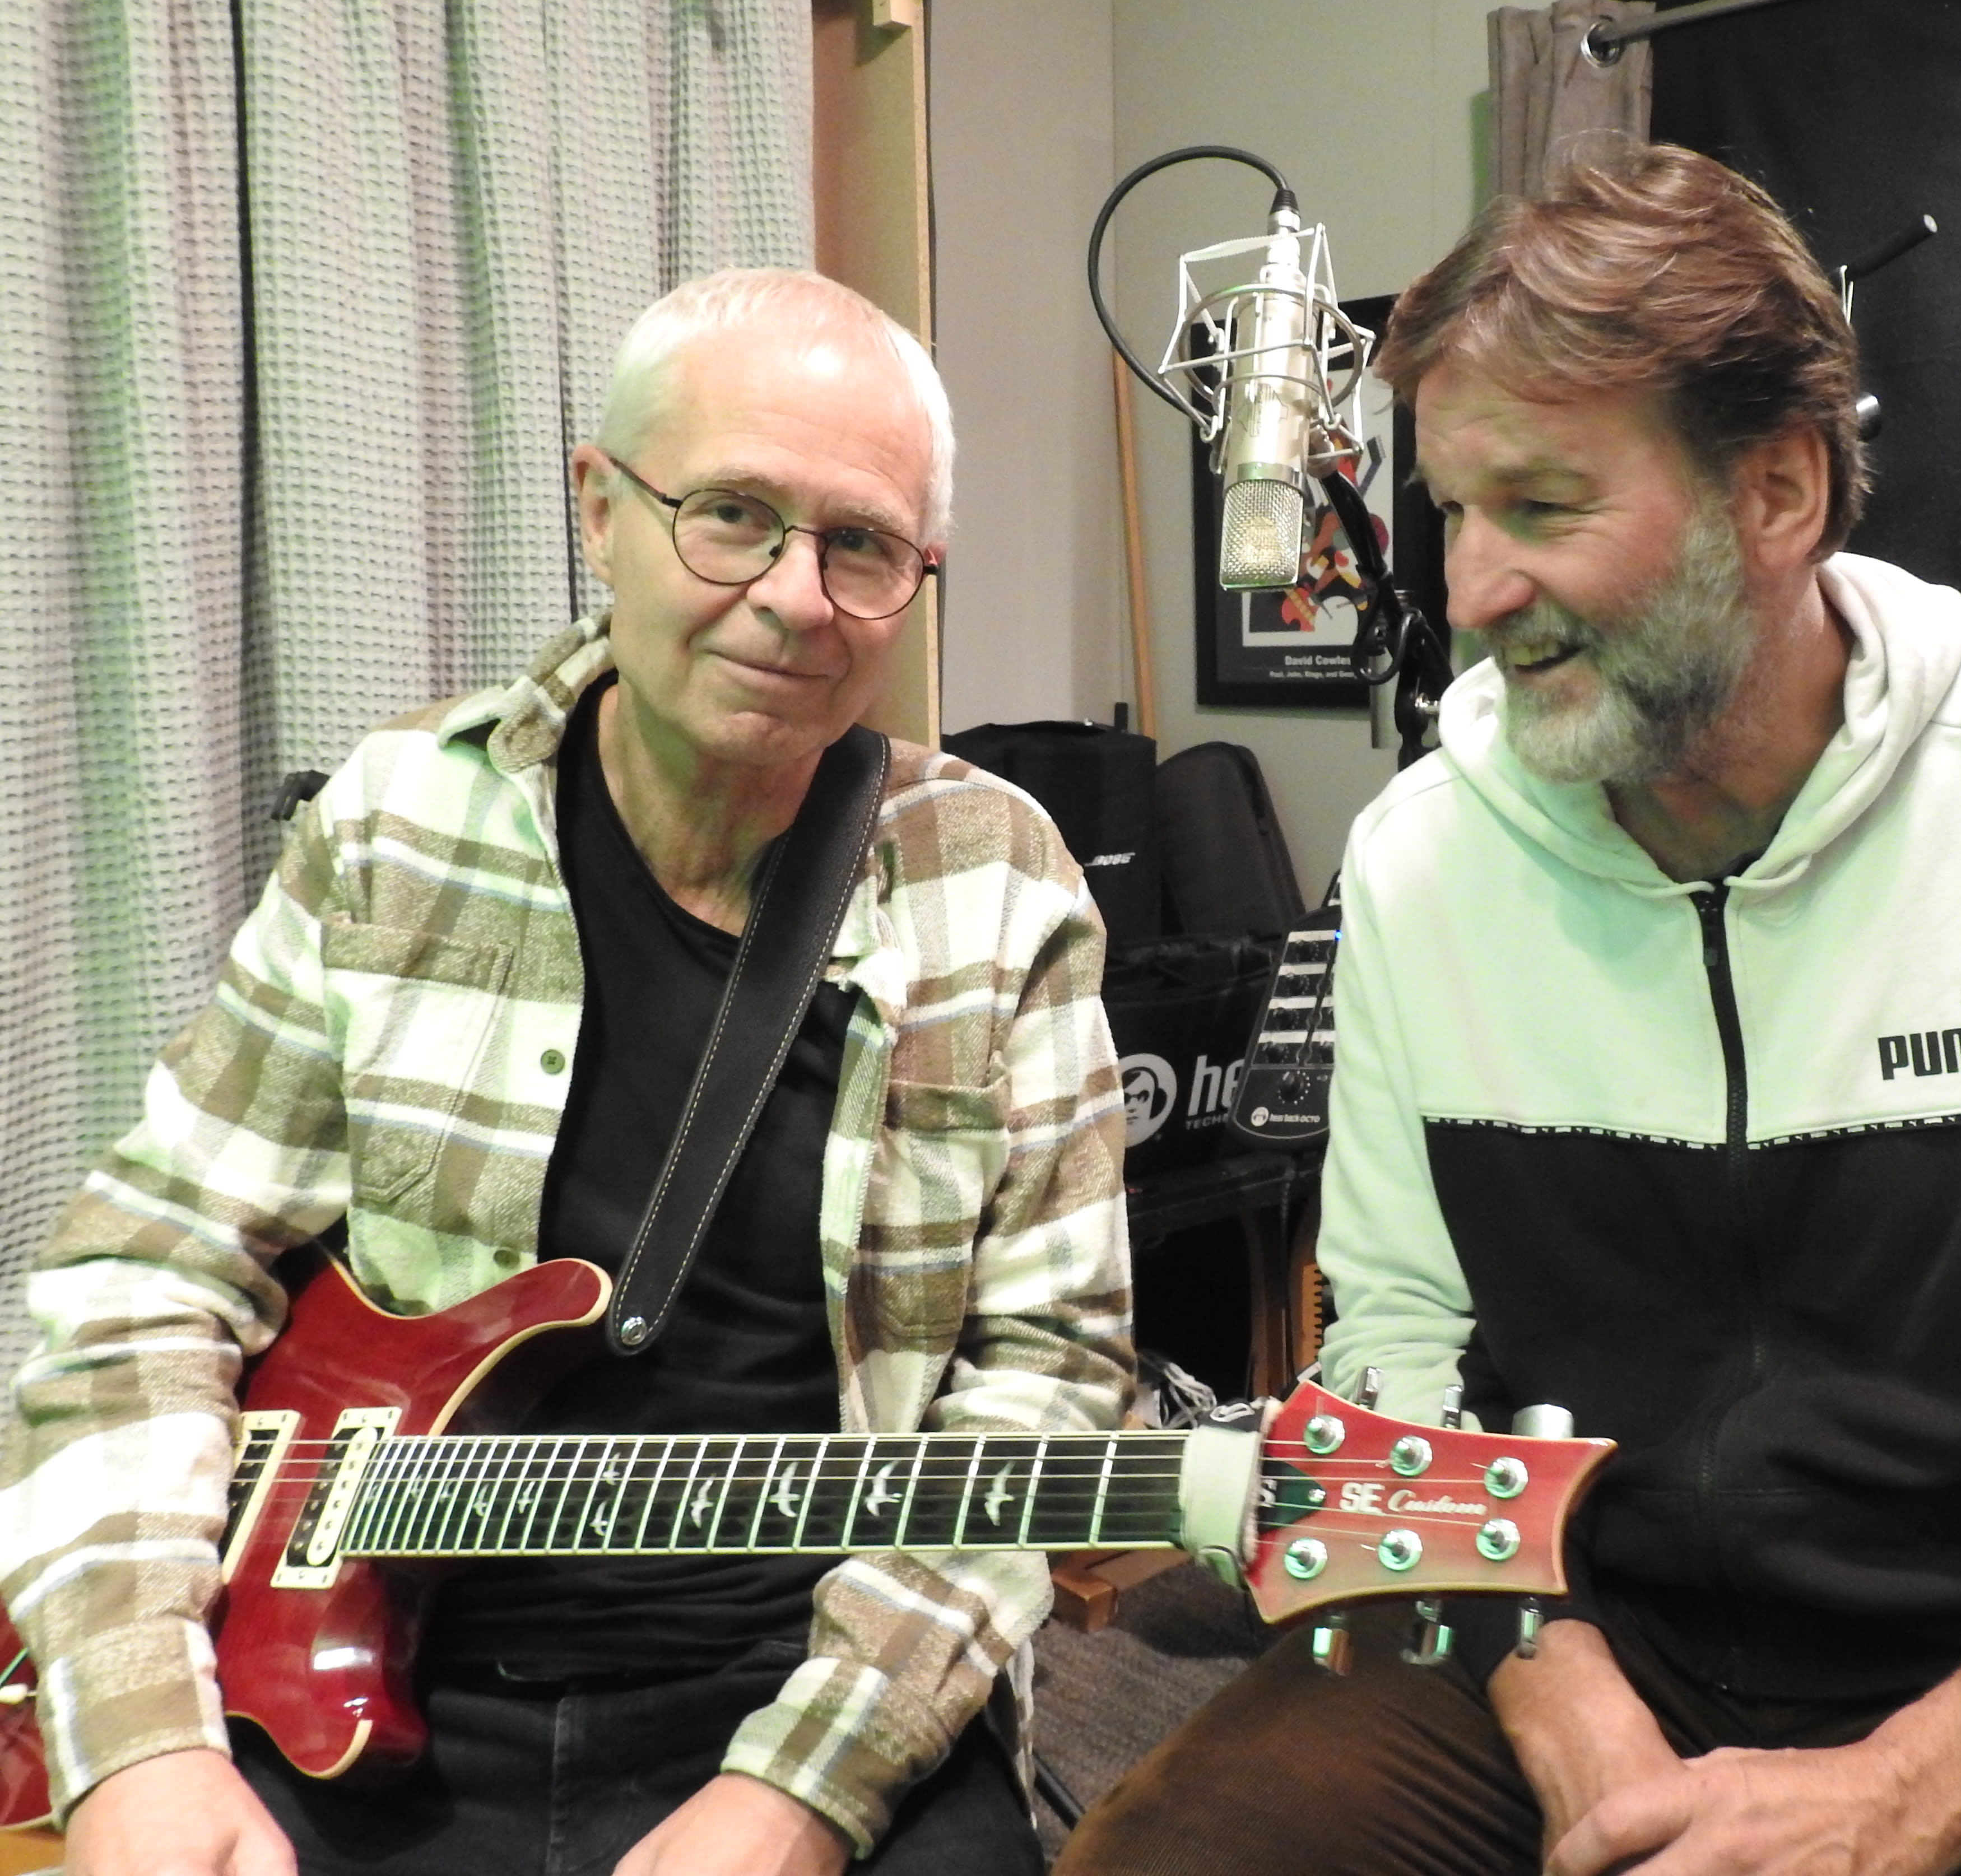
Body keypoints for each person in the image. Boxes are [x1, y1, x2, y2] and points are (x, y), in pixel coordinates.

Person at [1056, 145, 1961, 1875]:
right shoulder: (1423, 857)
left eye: (1541, 506)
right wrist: (1557, 1698)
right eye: (1456, 511)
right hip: (1552, 1619)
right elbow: (1396, 1349)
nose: (1473, 590)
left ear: (1778, 491)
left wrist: (1918, 1786)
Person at [0, 269, 1131, 1875]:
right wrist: (137, 1738)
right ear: (599, 509)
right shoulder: (397, 825)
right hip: (364, 1675)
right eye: (731, 514)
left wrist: (807, 1788)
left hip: (811, 1665)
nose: (796, 598)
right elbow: (150, 1276)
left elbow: (1048, 1383)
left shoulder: (997, 882)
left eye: (862, 546)